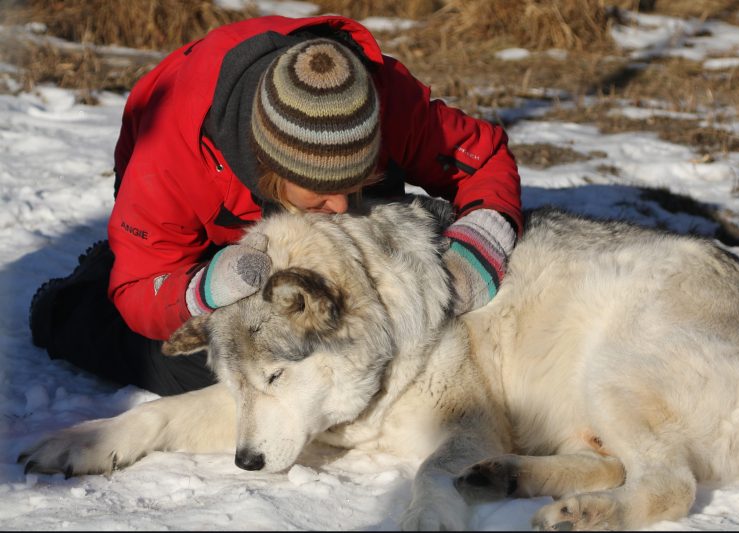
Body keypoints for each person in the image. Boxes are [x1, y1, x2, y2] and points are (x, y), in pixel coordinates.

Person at [28, 15, 523, 397]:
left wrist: (478, 242)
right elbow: (142, 285)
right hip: (194, 237)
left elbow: (482, 160)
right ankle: (71, 302)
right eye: (321, 191)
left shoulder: (386, 101)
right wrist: (202, 288)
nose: (343, 205)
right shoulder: (172, 158)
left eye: (358, 181)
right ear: (268, 167)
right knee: (206, 364)